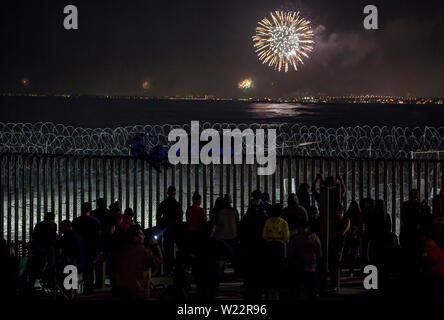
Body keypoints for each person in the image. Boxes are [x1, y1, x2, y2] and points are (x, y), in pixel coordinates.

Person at [114, 225, 163, 300]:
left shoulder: (121, 250)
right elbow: (158, 261)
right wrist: (155, 246)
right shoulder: (143, 252)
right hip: (138, 290)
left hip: (121, 290)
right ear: (135, 238)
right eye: (141, 234)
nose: (144, 236)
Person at [287, 209, 321, 300]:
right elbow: (319, 254)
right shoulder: (315, 238)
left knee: (296, 291)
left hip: (298, 268)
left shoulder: (295, 239)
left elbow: (290, 254)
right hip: (311, 268)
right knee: (311, 291)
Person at [240, 190, 268, 300]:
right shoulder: (264, 213)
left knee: (250, 268)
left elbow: (242, 229)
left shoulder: (248, 214)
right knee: (259, 268)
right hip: (260, 244)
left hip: (250, 244)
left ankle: (250, 287)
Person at [72, 202, 101, 294]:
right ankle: (89, 288)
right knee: (90, 268)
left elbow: (73, 235)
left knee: (77, 267)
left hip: (79, 248)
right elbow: (99, 236)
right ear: (90, 210)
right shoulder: (95, 221)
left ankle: (72, 289)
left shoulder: (76, 221)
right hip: (91, 248)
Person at [262, 203, 290, 299]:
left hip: (269, 245)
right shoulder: (283, 223)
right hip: (280, 245)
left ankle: (269, 290)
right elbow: (286, 237)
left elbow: (264, 236)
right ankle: (277, 290)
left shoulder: (268, 221)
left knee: (269, 267)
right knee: (279, 267)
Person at [156, 186, 183, 274]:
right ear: (175, 193)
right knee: (177, 248)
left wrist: (162, 226)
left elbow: (158, 217)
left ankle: (168, 267)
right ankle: (177, 268)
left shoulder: (163, 203)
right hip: (176, 229)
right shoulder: (177, 204)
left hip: (166, 230)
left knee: (167, 248)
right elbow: (180, 217)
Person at [212, 194, 240, 276]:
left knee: (221, 257)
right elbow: (237, 224)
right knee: (234, 256)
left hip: (221, 238)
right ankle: (237, 272)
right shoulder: (234, 211)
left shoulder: (219, 212)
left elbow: (214, 225)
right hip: (233, 237)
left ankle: (220, 272)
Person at [30, 211, 58, 290]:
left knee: (37, 266)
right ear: (52, 218)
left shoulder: (39, 225)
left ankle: (33, 284)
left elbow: (34, 235)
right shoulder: (52, 225)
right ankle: (51, 284)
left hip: (39, 248)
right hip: (48, 248)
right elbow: (53, 237)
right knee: (51, 266)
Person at [329, 203, 350, 291]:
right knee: (332, 264)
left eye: (335, 211)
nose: (334, 213)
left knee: (335, 264)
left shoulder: (346, 220)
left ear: (339, 212)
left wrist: (333, 235)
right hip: (334, 244)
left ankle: (335, 284)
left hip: (341, 245)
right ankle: (334, 283)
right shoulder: (333, 220)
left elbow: (342, 232)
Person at [344, 201, 363, 275]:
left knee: (347, 250)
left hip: (348, 236)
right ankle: (352, 268)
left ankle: (346, 265)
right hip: (356, 237)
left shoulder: (347, 214)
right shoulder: (359, 215)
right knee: (354, 252)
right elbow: (361, 227)